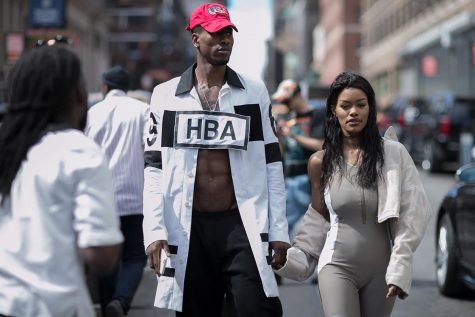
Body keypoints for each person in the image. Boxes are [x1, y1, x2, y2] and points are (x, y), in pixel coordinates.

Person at [143, 3, 290, 316]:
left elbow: (271, 163)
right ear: (196, 38)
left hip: (240, 223)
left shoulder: (253, 91)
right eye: (216, 33)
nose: (225, 40)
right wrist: (154, 231)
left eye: (228, 33)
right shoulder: (166, 96)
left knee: (258, 309)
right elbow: (154, 168)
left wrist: (278, 230)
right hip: (188, 226)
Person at [275, 72, 432, 317]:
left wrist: (400, 265)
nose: (353, 112)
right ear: (333, 110)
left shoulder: (393, 155)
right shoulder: (320, 162)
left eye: (361, 104)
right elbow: (318, 219)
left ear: (370, 109)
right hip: (336, 266)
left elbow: (413, 214)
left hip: (382, 270)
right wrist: (294, 257)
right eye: (345, 106)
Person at [0, 45, 123, 317]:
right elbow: (102, 254)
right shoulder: (78, 150)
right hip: (55, 306)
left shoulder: (7, 147)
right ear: (78, 96)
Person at [85, 65, 149, 317]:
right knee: (135, 256)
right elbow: (151, 153)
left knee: (106, 257)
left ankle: (108, 304)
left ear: (104, 87)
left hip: (101, 199)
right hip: (135, 198)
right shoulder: (143, 111)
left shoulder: (92, 113)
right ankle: (121, 301)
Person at [272, 79, 324, 234]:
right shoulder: (287, 118)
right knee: (290, 225)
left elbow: (321, 145)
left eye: (287, 101)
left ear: (297, 95)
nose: (286, 105)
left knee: (308, 227)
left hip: (310, 178)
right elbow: (282, 154)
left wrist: (293, 135)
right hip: (289, 179)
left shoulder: (317, 114)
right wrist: (279, 137)